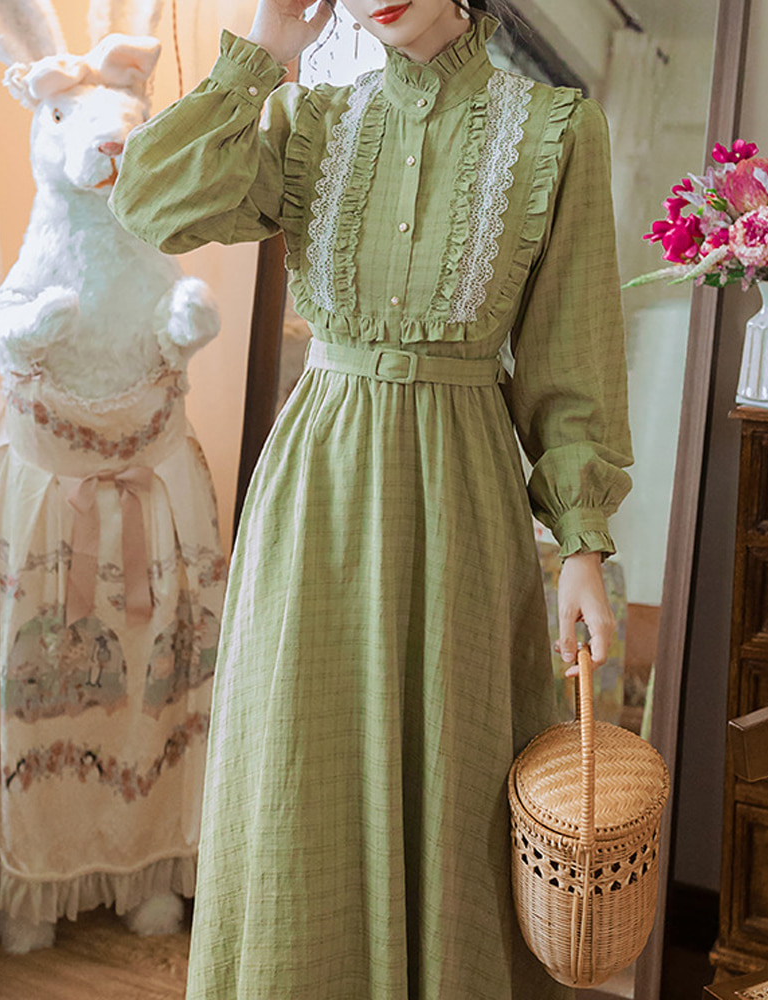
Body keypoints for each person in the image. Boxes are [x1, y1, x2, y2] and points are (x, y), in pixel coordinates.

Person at [110, 0, 632, 996]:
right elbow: (150, 201)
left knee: (454, 785)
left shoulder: (556, 132)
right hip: (316, 498)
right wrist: (263, 54)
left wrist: (582, 546)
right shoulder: (308, 120)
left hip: (462, 505)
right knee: (296, 774)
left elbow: (573, 365)